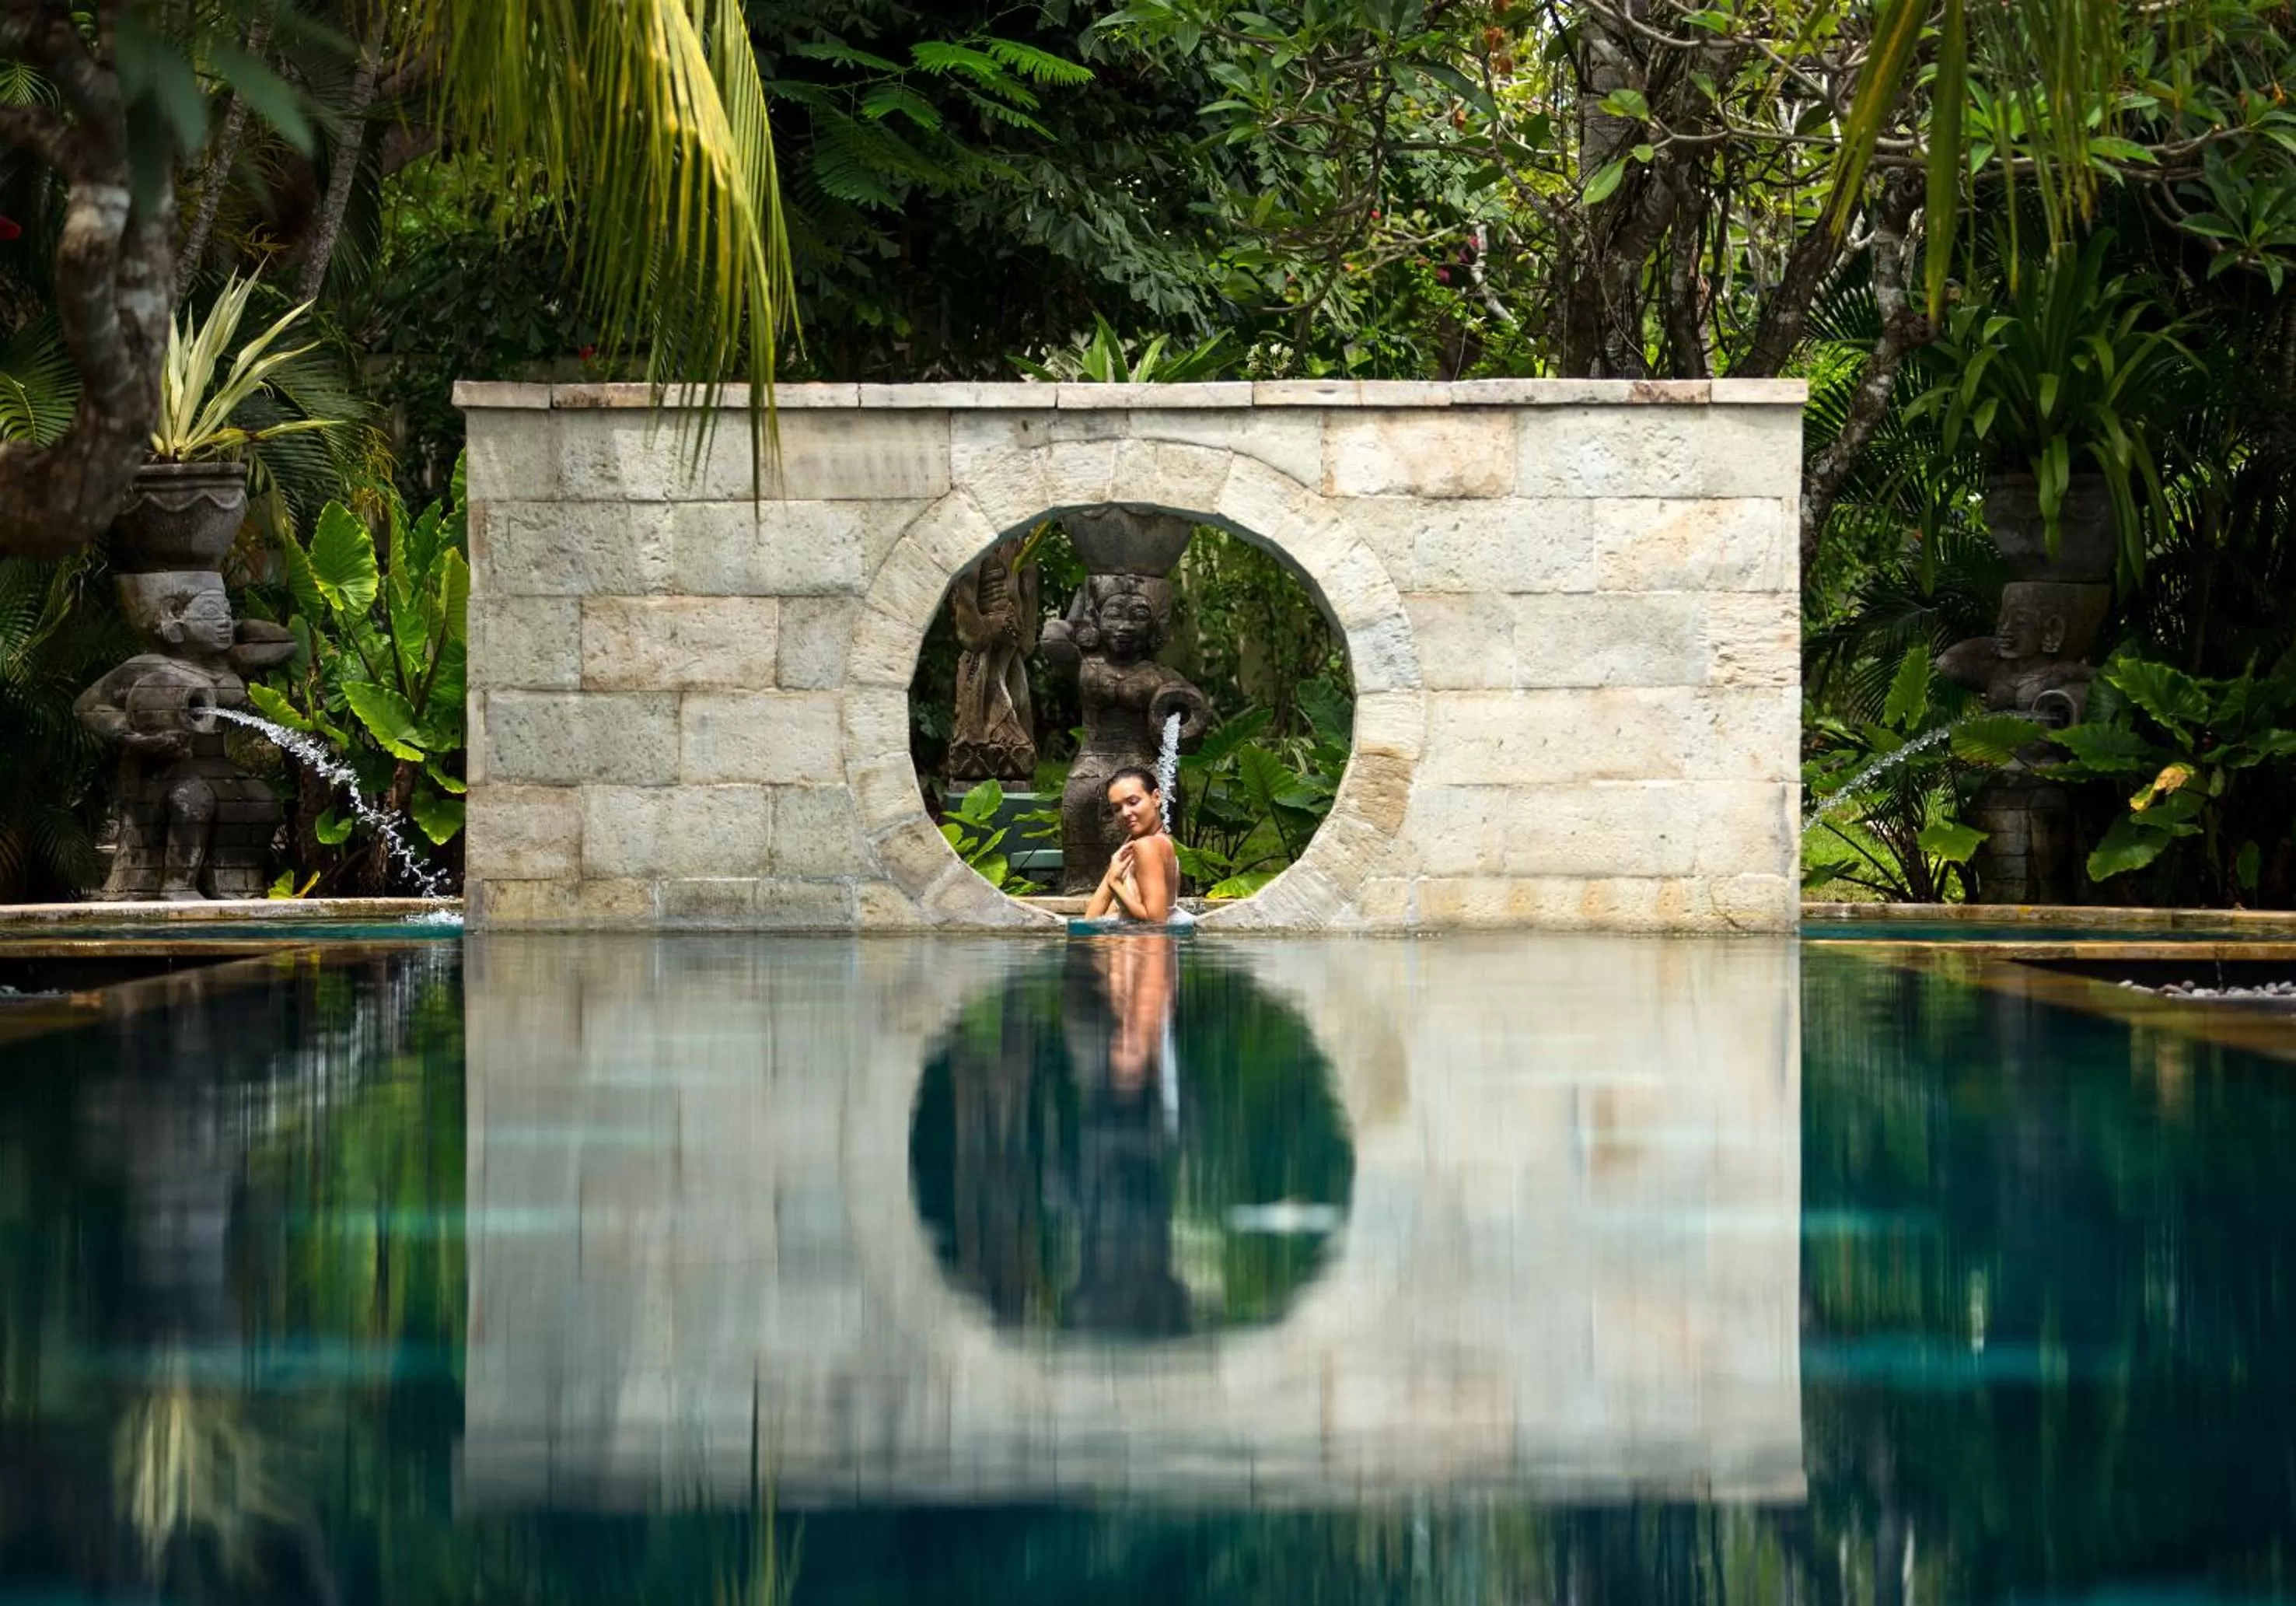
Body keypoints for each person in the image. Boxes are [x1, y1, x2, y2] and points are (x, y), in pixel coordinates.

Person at [1082, 766, 1180, 924]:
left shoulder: (1148, 846)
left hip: (1139, 948)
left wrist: (1115, 882)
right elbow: (1090, 919)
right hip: (1133, 946)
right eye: (1117, 809)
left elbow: (1156, 922)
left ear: (1156, 798)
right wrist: (1113, 874)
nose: (1125, 813)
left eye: (1133, 802)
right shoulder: (1148, 843)